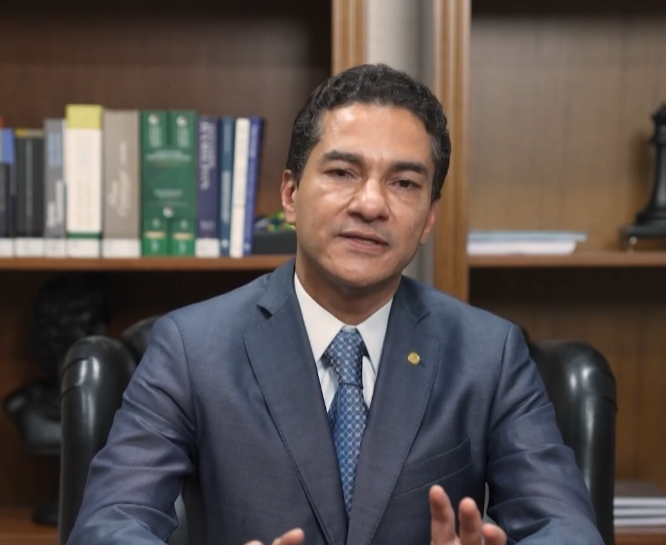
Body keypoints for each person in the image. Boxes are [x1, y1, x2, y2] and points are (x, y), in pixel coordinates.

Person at [66, 63, 602, 545]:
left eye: (404, 183)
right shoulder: (191, 348)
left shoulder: (490, 354)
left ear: (429, 218)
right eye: (343, 172)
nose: (371, 204)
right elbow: (109, 524)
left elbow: (566, 528)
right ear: (290, 194)